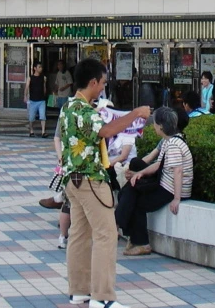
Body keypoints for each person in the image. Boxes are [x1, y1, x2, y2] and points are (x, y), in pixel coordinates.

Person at [60, 58, 150, 308]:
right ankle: (102, 297)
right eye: (102, 83)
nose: (103, 87)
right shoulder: (85, 111)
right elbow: (107, 131)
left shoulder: (69, 107)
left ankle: (79, 291)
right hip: (91, 179)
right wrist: (136, 113)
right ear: (92, 82)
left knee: (79, 234)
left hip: (72, 180)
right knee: (106, 235)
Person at [116, 106, 193, 257]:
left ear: (161, 126)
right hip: (165, 183)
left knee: (135, 200)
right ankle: (125, 231)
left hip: (170, 190)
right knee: (131, 189)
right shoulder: (169, 141)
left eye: (155, 123)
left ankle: (138, 240)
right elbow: (158, 164)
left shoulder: (174, 144)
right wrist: (139, 173)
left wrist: (177, 198)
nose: (154, 126)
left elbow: (178, 170)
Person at [25, 61, 48, 137]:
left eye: (41, 67)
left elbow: (44, 88)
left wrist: (45, 95)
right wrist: (25, 96)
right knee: (31, 118)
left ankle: (43, 132)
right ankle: (31, 130)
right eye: (39, 67)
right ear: (35, 68)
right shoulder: (30, 78)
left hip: (41, 100)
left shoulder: (43, 78)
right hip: (33, 101)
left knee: (42, 116)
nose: (41, 68)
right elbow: (26, 87)